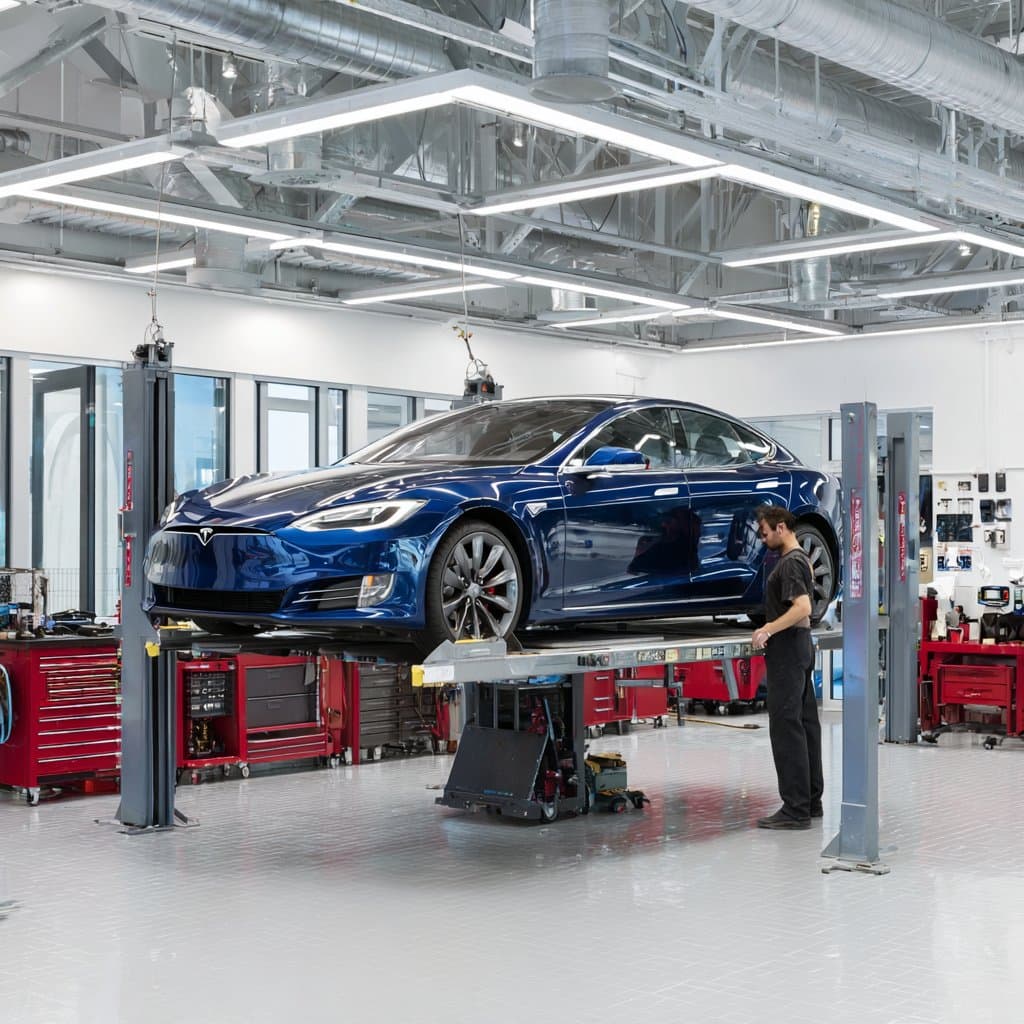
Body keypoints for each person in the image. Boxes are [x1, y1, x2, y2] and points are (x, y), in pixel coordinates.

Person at [750, 506, 823, 830]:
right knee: (806, 724)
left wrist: (768, 629)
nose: (762, 538)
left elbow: (803, 607)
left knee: (786, 726)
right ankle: (810, 801)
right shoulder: (802, 559)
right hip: (801, 646)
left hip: (789, 648)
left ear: (781, 527)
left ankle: (795, 810)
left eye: (764, 532)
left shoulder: (791, 562)